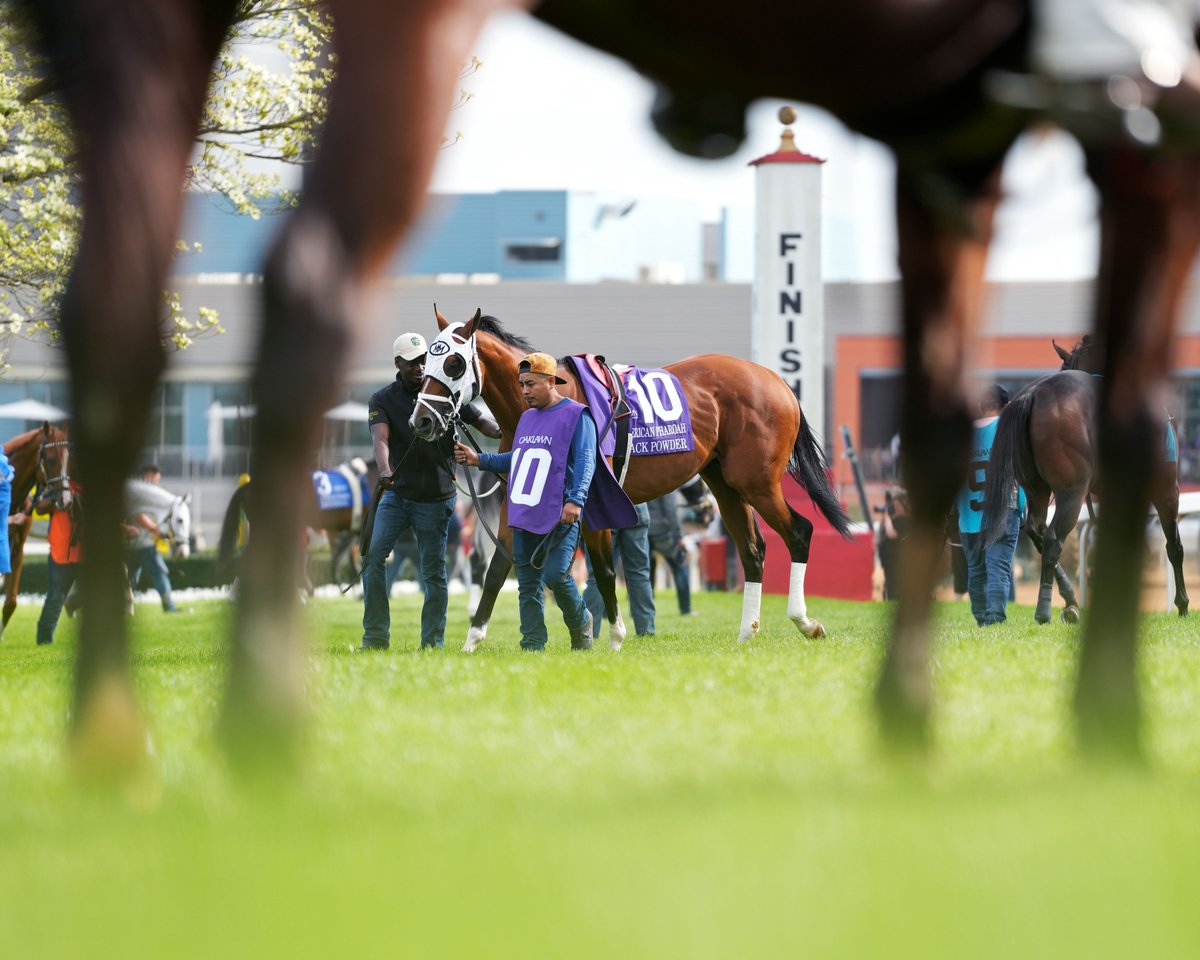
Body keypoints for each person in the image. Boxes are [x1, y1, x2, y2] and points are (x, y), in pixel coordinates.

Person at [455, 351, 635, 652]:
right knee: (527, 583)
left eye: (531, 384)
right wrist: (479, 460)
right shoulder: (526, 418)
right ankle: (532, 646)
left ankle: (581, 622)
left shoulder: (578, 415)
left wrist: (576, 500)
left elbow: (588, 461)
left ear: (551, 381)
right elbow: (519, 457)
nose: (524, 391)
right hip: (524, 509)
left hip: (560, 512)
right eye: (522, 384)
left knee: (555, 575)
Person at [360, 331, 499, 651]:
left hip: (436, 499)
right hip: (397, 495)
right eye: (412, 363)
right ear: (397, 363)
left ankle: (431, 644)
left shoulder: (444, 391)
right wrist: (384, 471)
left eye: (424, 360)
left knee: (434, 574)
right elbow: (379, 439)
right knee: (373, 559)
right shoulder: (382, 399)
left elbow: (486, 425)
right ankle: (376, 638)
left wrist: (513, 428)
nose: (420, 367)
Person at [955, 384, 1025, 626]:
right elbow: (1021, 473)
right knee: (999, 568)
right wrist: (1023, 507)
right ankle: (994, 619)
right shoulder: (1008, 431)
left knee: (976, 571)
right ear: (1006, 407)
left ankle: (982, 619)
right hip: (1003, 512)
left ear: (979, 406)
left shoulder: (963, 436)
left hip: (969, 517)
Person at [583, 500, 655, 636]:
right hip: (637, 507)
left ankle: (589, 634)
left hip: (603, 510)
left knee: (596, 575)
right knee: (640, 573)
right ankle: (646, 631)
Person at [126, 462, 179, 613]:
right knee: (159, 572)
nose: (156, 484)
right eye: (155, 480)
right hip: (142, 544)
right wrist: (157, 531)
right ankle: (170, 607)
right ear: (148, 475)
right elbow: (139, 515)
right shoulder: (137, 492)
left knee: (130, 580)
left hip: (136, 543)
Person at [36, 481, 83, 646]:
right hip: (60, 551)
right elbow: (39, 507)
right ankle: (44, 639)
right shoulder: (53, 485)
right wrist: (58, 496)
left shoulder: (89, 484)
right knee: (55, 596)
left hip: (85, 552)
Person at [646, 489, 693, 616]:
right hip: (662, 531)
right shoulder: (666, 479)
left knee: (644, 573)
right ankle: (686, 609)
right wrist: (679, 536)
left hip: (642, 530)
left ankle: (646, 613)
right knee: (680, 566)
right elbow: (670, 509)